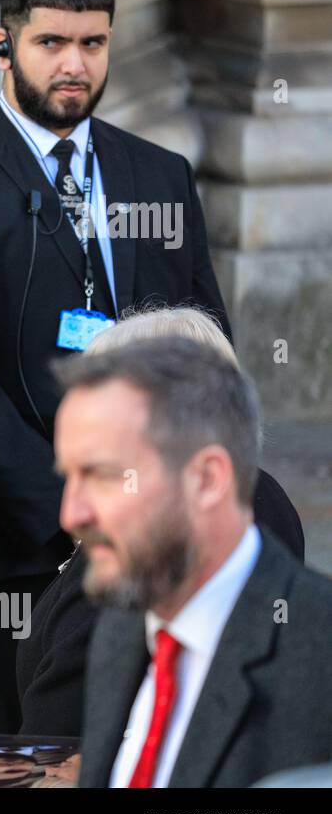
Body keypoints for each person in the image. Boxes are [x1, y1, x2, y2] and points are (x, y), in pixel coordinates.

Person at [0, 0, 231, 733]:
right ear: (2, 45)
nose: (74, 64)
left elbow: (205, 348)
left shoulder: (161, 176)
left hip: (149, 546)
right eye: (51, 43)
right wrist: (74, 509)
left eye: (93, 43)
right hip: (7, 560)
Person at [50, 337, 332, 787]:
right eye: (68, 477)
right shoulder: (123, 630)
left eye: (102, 476)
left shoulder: (317, 657)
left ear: (206, 479)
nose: (72, 514)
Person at [16, 306, 305, 736]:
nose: (70, 514)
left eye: (103, 470)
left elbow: (56, 743)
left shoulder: (136, 558)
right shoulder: (267, 499)